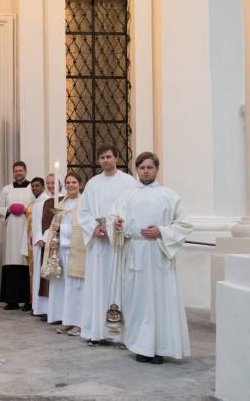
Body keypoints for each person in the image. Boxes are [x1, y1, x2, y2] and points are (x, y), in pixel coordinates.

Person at [109, 152, 193, 364]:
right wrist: (117, 225)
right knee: (137, 302)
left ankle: (159, 347)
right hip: (135, 253)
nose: (146, 171)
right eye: (142, 167)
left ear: (157, 169)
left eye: (150, 167)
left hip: (158, 255)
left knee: (159, 301)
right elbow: (114, 219)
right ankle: (140, 346)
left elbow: (184, 225)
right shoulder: (126, 196)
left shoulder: (169, 195)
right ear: (136, 170)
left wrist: (162, 232)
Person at [78, 145, 136, 345]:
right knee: (97, 285)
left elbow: (134, 209)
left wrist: (115, 227)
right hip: (99, 245)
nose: (105, 160)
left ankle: (120, 335)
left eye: (109, 156)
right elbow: (83, 211)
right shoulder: (93, 184)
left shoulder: (129, 182)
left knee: (120, 284)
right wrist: (94, 227)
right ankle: (97, 332)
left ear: (117, 158)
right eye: (102, 157)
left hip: (118, 243)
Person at [44, 173, 85, 336]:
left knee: (76, 287)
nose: (70, 185)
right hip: (62, 249)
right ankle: (66, 320)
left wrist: (62, 230)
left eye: (74, 182)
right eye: (68, 182)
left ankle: (79, 322)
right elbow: (54, 226)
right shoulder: (61, 204)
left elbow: (83, 227)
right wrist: (52, 239)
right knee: (64, 287)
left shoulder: (84, 203)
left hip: (77, 251)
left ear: (80, 185)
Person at [0, 161, 35, 310]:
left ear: (26, 171)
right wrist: (8, 209)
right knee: (12, 260)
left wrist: (25, 209)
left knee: (25, 262)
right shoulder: (6, 189)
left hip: (27, 228)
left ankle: (27, 300)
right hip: (11, 229)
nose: (18, 173)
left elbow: (37, 205)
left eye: (21, 170)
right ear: (13, 173)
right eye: (16, 170)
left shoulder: (33, 188)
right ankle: (11, 300)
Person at [21, 174, 54, 319]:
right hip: (33, 245)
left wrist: (42, 238)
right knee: (34, 276)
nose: (35, 188)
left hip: (42, 242)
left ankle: (44, 308)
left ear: (43, 187)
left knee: (42, 276)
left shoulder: (48, 201)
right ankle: (37, 306)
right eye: (33, 186)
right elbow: (28, 225)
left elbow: (45, 223)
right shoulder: (33, 204)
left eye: (37, 186)